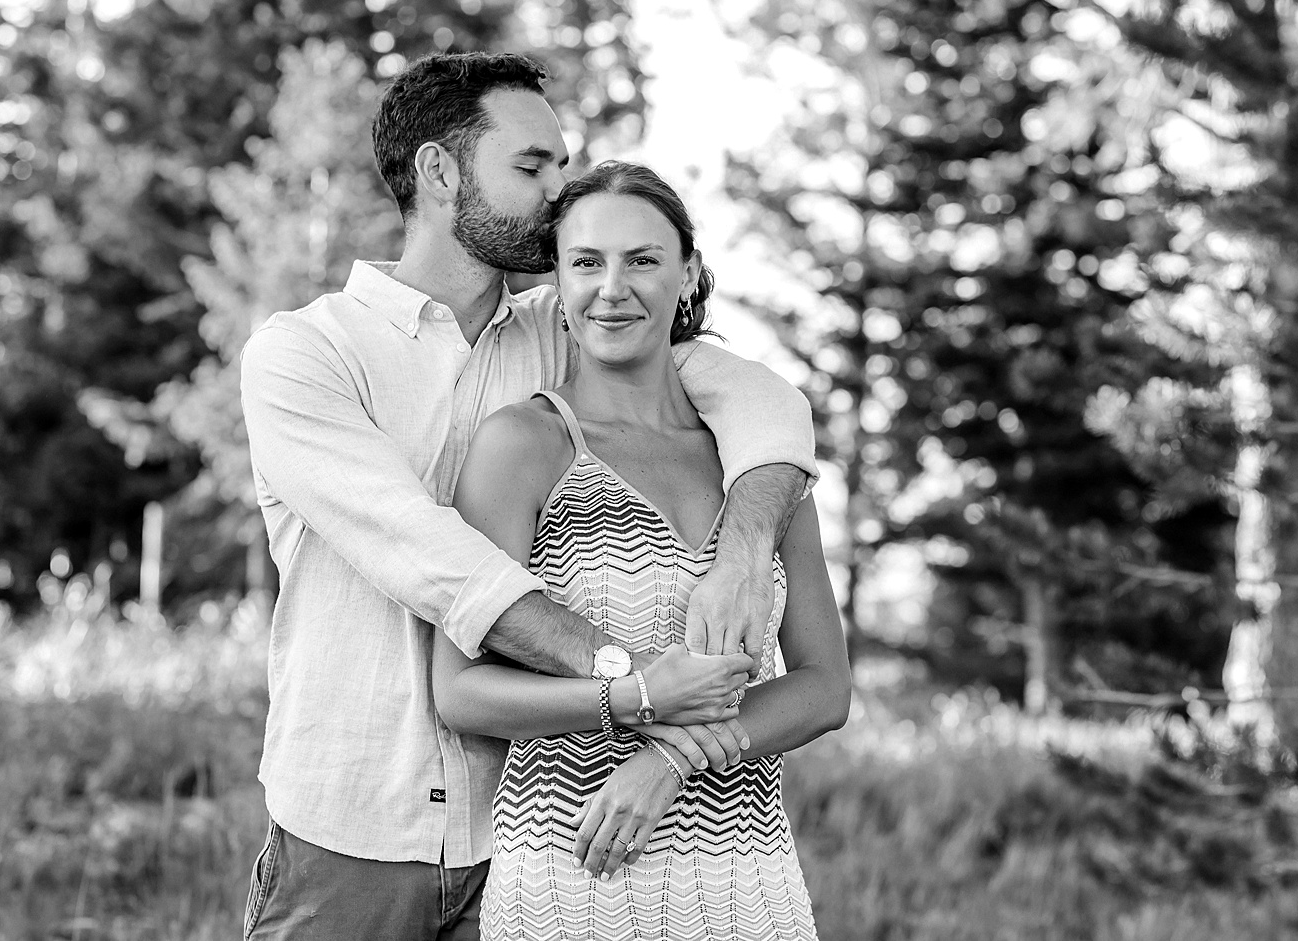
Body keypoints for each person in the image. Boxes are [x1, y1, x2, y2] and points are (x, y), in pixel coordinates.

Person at [238, 52, 818, 940]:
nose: (559, 191)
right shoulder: (307, 357)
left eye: (562, 165)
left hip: (540, 848)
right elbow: (433, 561)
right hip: (354, 834)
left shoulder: (572, 322)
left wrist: (743, 550)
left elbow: (765, 403)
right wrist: (630, 679)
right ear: (439, 173)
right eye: (532, 165)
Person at [432, 161, 851, 940]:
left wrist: (670, 759)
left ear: (688, 273)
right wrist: (634, 701)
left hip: (748, 892)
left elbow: (825, 689)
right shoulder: (524, 446)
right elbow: (461, 693)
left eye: (643, 260)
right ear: (556, 283)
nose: (611, 287)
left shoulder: (759, 463)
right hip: (572, 880)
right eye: (586, 262)